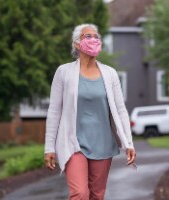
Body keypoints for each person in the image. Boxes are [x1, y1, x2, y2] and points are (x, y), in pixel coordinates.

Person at [44, 24, 136, 200]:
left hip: (102, 143)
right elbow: (54, 110)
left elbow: (120, 110)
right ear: (77, 44)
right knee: (79, 193)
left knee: (97, 195)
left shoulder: (110, 73)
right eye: (88, 36)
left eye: (96, 37)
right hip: (73, 144)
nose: (93, 40)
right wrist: (49, 147)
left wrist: (129, 143)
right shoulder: (64, 72)